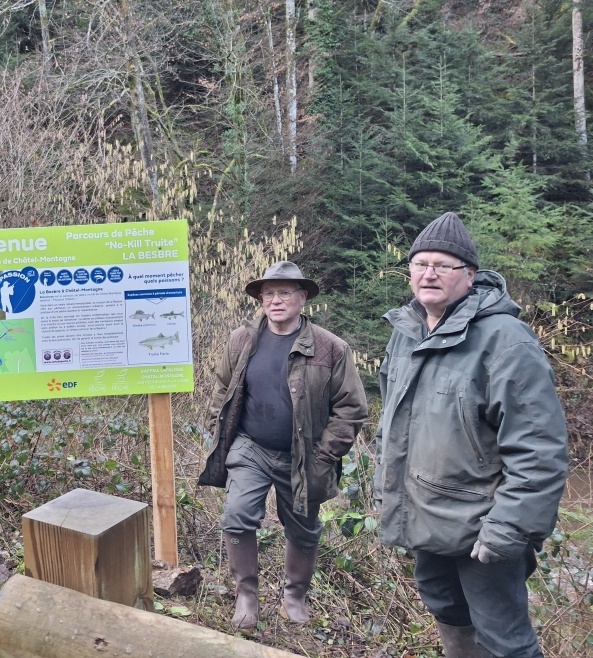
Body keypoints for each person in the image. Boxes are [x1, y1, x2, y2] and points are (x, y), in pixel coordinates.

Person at [375, 212, 569, 658]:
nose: (429, 274)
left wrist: (508, 529)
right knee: (446, 609)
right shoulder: (405, 333)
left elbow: (539, 451)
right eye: (421, 263)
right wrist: (389, 495)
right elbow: (392, 425)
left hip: (485, 524)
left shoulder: (506, 341)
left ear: (470, 276)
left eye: (443, 265)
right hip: (426, 515)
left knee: (505, 638)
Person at [199, 261, 368, 633]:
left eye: (285, 293)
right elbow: (221, 389)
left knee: (303, 530)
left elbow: (352, 407)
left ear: (302, 298)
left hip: (305, 456)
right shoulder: (241, 340)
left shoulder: (330, 348)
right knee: (237, 515)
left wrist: (325, 454)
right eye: (269, 294)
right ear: (261, 299)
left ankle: (294, 596)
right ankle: (247, 596)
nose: (276, 301)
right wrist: (218, 429)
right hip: (250, 446)